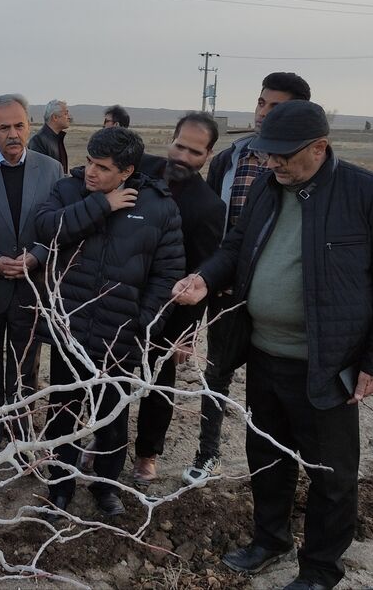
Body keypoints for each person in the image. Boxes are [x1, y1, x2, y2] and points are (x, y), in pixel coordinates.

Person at [173, 100, 373, 589]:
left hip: (328, 364)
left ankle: (321, 569)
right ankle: (270, 540)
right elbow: (235, 246)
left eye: (283, 155)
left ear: (319, 148)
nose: (272, 163)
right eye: (267, 154)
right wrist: (204, 277)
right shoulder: (269, 186)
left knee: (331, 474)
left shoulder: (370, 195)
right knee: (267, 457)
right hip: (264, 353)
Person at [34, 126, 185, 518]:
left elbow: (168, 273)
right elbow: (46, 229)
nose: (91, 172)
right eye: (90, 162)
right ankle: (60, 487)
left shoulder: (157, 206)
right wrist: (102, 204)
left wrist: (141, 323)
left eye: (103, 168)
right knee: (63, 412)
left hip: (121, 335)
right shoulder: (69, 191)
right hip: (71, 328)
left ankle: (106, 488)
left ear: (127, 170)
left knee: (113, 419)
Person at [182, 72, 313, 485]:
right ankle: (209, 454)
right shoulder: (231, 158)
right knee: (216, 375)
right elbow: (214, 225)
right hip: (226, 289)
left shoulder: (311, 166)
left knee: (275, 383)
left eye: (276, 107)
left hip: (280, 296)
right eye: (261, 104)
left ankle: (285, 462)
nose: (263, 114)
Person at [0, 93, 63, 461]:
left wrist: (35, 258)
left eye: (19, 125)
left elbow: (58, 226)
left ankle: (21, 430)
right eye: (3, 127)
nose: (12, 134)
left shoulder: (51, 170)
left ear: (29, 126)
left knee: (26, 362)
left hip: (30, 288)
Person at [127, 112, 225, 485]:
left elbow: (203, 275)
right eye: (179, 145)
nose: (183, 157)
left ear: (208, 155)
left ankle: (148, 454)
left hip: (169, 314)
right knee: (111, 378)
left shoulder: (209, 207)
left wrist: (187, 332)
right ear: (171, 140)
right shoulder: (138, 171)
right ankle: (104, 443)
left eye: (195, 152)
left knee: (157, 384)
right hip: (122, 297)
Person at [28, 99, 72, 172]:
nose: (69, 117)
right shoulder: (38, 141)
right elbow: (38, 174)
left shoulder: (57, 138)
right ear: (55, 117)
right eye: (65, 113)